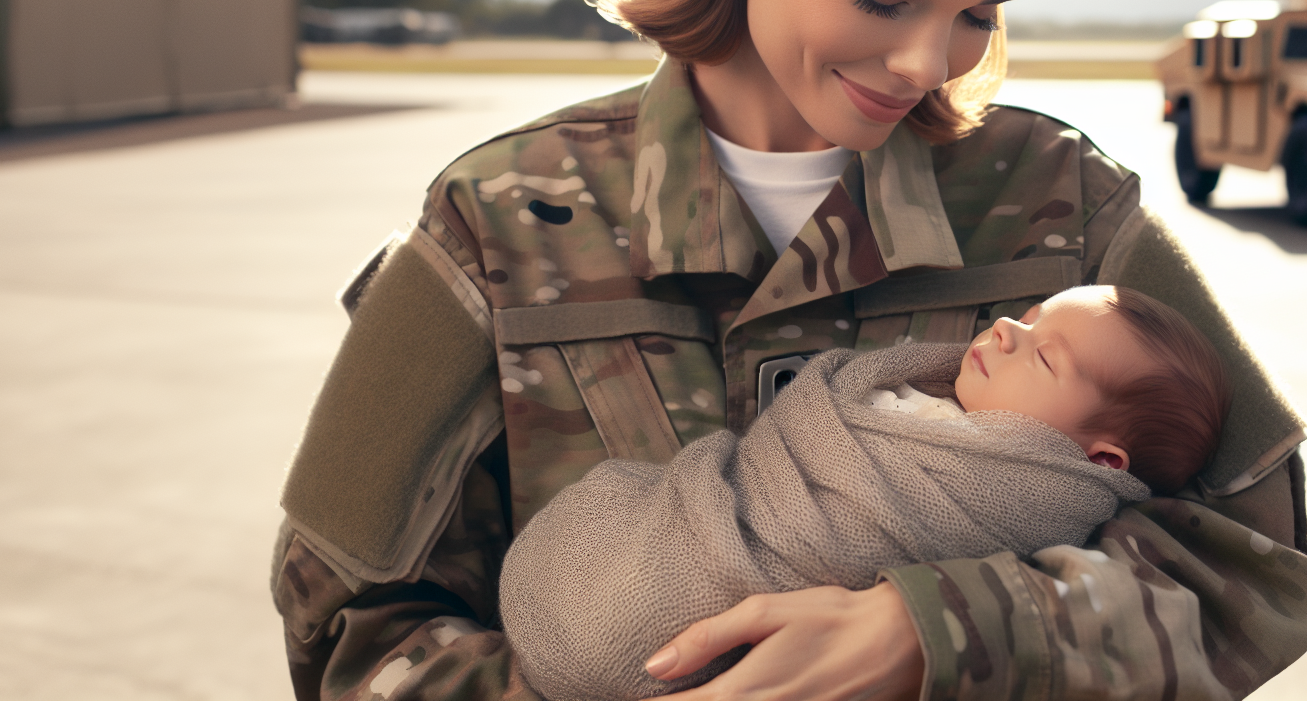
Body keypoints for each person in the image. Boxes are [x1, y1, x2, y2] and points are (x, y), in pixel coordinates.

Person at [272, 0, 1307, 700]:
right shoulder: (497, 219)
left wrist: (938, 636)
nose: (931, 61)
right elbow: (345, 623)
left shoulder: (1067, 203)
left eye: (979, 11)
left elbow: (1257, 567)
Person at [499, 286, 1233, 701]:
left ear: (1098, 458)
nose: (1006, 327)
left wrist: (931, 629)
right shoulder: (921, 401)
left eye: (1045, 351)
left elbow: (1230, 595)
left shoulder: (1024, 491)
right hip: (697, 520)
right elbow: (809, 432)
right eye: (1028, 314)